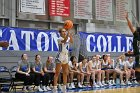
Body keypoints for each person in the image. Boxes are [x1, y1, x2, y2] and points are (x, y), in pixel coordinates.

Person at [53, 28, 73, 93]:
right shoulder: (59, 39)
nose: (64, 32)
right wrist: (67, 35)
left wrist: (70, 35)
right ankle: (55, 88)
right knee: (57, 73)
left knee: (65, 73)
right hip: (60, 56)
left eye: (65, 31)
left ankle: (64, 88)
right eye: (63, 31)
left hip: (66, 56)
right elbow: (64, 41)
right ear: (60, 33)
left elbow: (72, 41)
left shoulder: (67, 38)